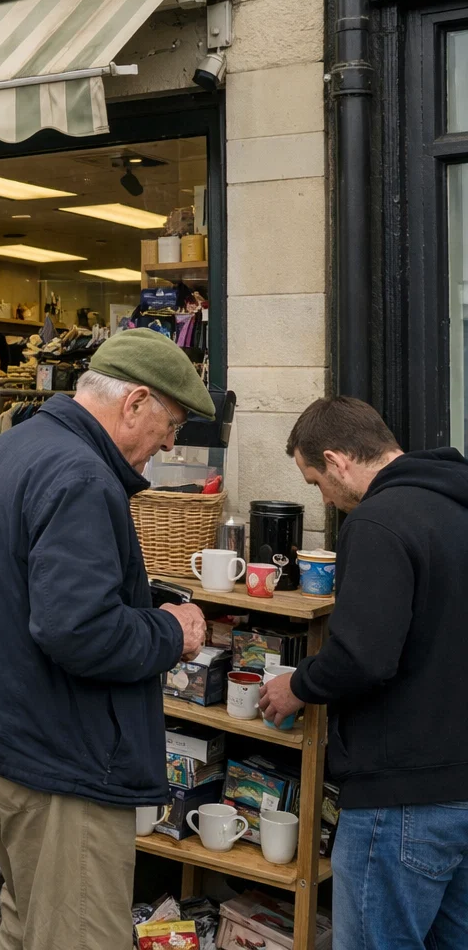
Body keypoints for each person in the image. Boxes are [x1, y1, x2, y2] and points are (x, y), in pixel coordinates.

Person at [0, 329, 213, 950]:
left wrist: (140, 600)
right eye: (172, 425)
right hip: (59, 753)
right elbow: (78, 631)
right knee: (76, 932)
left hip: (2, 733)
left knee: (27, 918)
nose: (168, 444)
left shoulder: (16, 444)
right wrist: (170, 631)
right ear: (134, 403)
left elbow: (25, 584)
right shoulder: (81, 475)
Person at [259, 397, 468, 948]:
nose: (323, 497)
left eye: (315, 481)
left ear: (337, 460)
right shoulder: (456, 505)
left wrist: (298, 684)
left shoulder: (379, 519)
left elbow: (364, 656)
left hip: (401, 797)